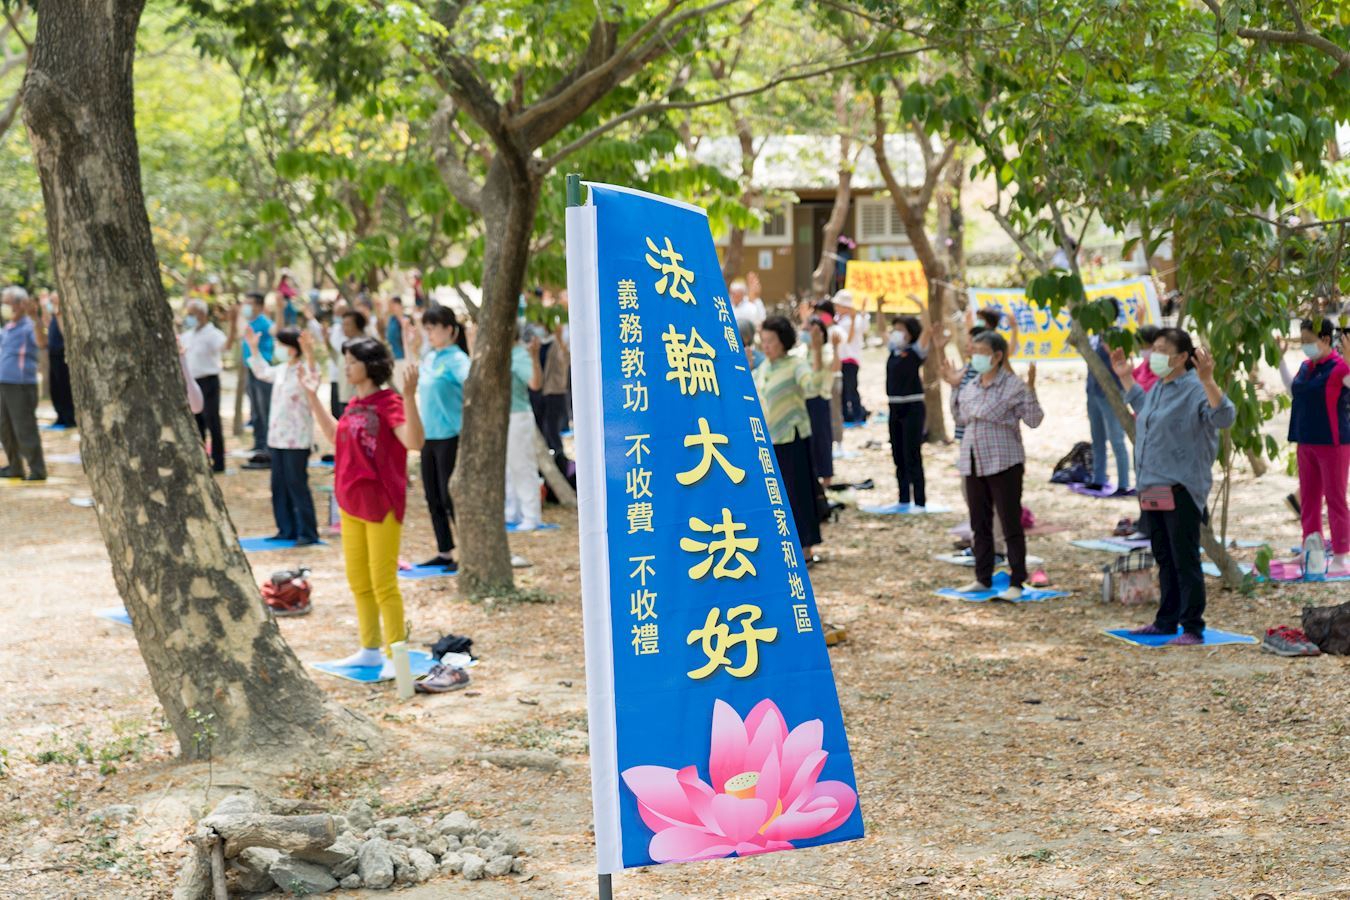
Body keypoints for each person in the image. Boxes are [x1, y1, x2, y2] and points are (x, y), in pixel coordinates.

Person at [300, 336, 424, 677]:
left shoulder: (389, 403)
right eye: (347, 361)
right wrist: (312, 395)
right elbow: (335, 436)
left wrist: (409, 397)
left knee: (384, 583)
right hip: (350, 503)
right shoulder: (354, 404)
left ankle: (396, 657)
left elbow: (414, 442)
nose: (347, 367)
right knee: (359, 580)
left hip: (381, 504)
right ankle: (370, 650)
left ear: (370, 366)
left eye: (353, 361)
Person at [1110, 329, 1236, 644]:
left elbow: (1224, 417)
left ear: (1181, 357)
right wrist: (1125, 378)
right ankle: (1166, 621)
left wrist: (1209, 381)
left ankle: (1193, 626)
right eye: (1153, 348)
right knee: (1164, 557)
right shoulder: (1159, 387)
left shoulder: (1195, 389)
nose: (1154, 355)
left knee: (1185, 559)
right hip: (1152, 485)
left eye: (1162, 350)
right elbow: (1144, 409)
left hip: (1181, 487)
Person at [945, 331, 1043, 600]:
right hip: (973, 460)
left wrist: (1031, 390)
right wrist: (954, 387)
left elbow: (1034, 420)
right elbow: (960, 417)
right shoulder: (971, 385)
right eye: (974, 351)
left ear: (998, 356)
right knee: (979, 523)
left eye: (982, 352)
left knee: (1010, 523)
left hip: (1004, 461)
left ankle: (1017, 580)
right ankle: (982, 577)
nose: (975, 356)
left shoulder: (1013, 385)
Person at [754, 315, 828, 561]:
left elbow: (812, 387)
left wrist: (817, 350)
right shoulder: (762, 368)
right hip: (768, 441)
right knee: (775, 495)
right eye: (763, 341)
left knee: (798, 494)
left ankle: (805, 548)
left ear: (783, 341)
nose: (766, 346)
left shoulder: (795, 364)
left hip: (792, 439)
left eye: (771, 341)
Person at [1281, 320, 1350, 575]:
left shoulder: (1339, 367)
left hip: (1333, 444)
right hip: (1306, 441)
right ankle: (1310, 549)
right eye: (1302, 341)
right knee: (1309, 500)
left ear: (1325, 339)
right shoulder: (1305, 367)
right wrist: (1280, 361)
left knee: (1335, 499)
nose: (1304, 346)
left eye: (1309, 341)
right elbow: (1293, 391)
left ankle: (1341, 556)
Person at [408, 305, 471, 570]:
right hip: (428, 436)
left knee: (450, 496)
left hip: (450, 435)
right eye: (427, 328)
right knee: (433, 497)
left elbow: (471, 386)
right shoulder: (430, 358)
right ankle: (445, 550)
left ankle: (468, 552)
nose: (430, 333)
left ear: (450, 329)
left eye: (433, 328)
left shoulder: (458, 359)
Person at [245, 326, 320, 545]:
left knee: (297, 484)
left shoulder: (304, 369)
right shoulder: (281, 370)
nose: (277, 348)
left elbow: (313, 377)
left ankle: (307, 532)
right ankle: (286, 529)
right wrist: (253, 348)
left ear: (292, 349)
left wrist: (310, 353)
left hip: (297, 439)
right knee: (279, 485)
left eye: (280, 345)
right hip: (277, 438)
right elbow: (262, 371)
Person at [1084, 297, 1133, 496]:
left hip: (1111, 394)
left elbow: (1124, 361)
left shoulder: (1117, 335)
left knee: (1116, 439)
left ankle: (1123, 483)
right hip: (1093, 392)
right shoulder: (1094, 335)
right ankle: (1098, 478)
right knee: (1097, 438)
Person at [0, 287, 48, 481]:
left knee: (24, 427)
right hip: (3, 383)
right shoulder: (8, 327)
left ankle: (37, 469)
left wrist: (35, 317)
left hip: (20, 385)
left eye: (7, 302)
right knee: (4, 427)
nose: (4, 306)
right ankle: (15, 467)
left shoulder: (29, 326)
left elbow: (42, 343)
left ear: (21, 304)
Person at [180, 299, 231, 472]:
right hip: (192, 382)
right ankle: (201, 461)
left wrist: (232, 325)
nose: (189, 317)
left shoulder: (213, 334)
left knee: (212, 421)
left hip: (208, 381)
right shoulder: (187, 335)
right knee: (196, 422)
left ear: (202, 314)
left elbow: (226, 346)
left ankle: (219, 462)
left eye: (192, 314)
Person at [886, 315, 930, 509]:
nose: (897, 333)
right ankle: (903, 498)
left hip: (912, 406)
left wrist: (921, 306)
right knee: (898, 454)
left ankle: (919, 501)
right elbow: (882, 329)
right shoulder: (893, 351)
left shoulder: (916, 351)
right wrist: (880, 308)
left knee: (912, 453)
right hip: (894, 406)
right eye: (895, 329)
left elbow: (927, 329)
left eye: (901, 329)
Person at [506, 326, 544, 530]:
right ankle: (513, 512)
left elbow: (535, 383)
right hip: (505, 417)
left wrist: (534, 357)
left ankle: (531, 515)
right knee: (508, 469)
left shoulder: (519, 355)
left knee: (522, 466)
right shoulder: (503, 353)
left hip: (518, 416)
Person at [235, 292, 276, 465]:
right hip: (251, 368)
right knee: (255, 410)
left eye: (249, 303)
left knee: (264, 408)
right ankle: (259, 444)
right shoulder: (249, 322)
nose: (246, 306)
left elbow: (276, 331)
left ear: (259, 306)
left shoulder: (264, 322)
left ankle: (268, 447)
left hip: (263, 370)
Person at [800, 315, 836, 488]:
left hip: (819, 400)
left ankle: (826, 478)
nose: (807, 333)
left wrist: (817, 348)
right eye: (805, 329)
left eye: (811, 330)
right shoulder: (800, 351)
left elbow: (819, 371)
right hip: (802, 400)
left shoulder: (826, 350)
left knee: (822, 440)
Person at [834, 290, 869, 423]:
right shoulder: (837, 319)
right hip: (840, 359)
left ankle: (857, 414)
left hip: (851, 359)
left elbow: (852, 337)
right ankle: (845, 415)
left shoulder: (856, 319)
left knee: (851, 388)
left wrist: (860, 314)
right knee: (842, 390)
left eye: (839, 305)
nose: (836, 308)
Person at [44, 294, 76, 428]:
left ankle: (69, 417)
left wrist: (59, 314)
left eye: (53, 300)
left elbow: (65, 333)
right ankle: (60, 416)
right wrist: (44, 307)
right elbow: (46, 324)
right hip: (53, 353)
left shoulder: (63, 315)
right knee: (55, 388)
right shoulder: (53, 316)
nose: (51, 303)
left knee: (64, 387)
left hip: (62, 353)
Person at [330, 307, 366, 420]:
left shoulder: (366, 346)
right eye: (343, 324)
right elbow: (338, 362)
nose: (343, 328)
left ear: (358, 325)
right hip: (345, 396)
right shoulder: (347, 345)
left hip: (358, 398)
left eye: (347, 324)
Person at [1131, 324, 1161, 393]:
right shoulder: (1146, 364)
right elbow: (1131, 376)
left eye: (1143, 346)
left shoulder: (1164, 370)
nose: (1141, 349)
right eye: (1140, 346)